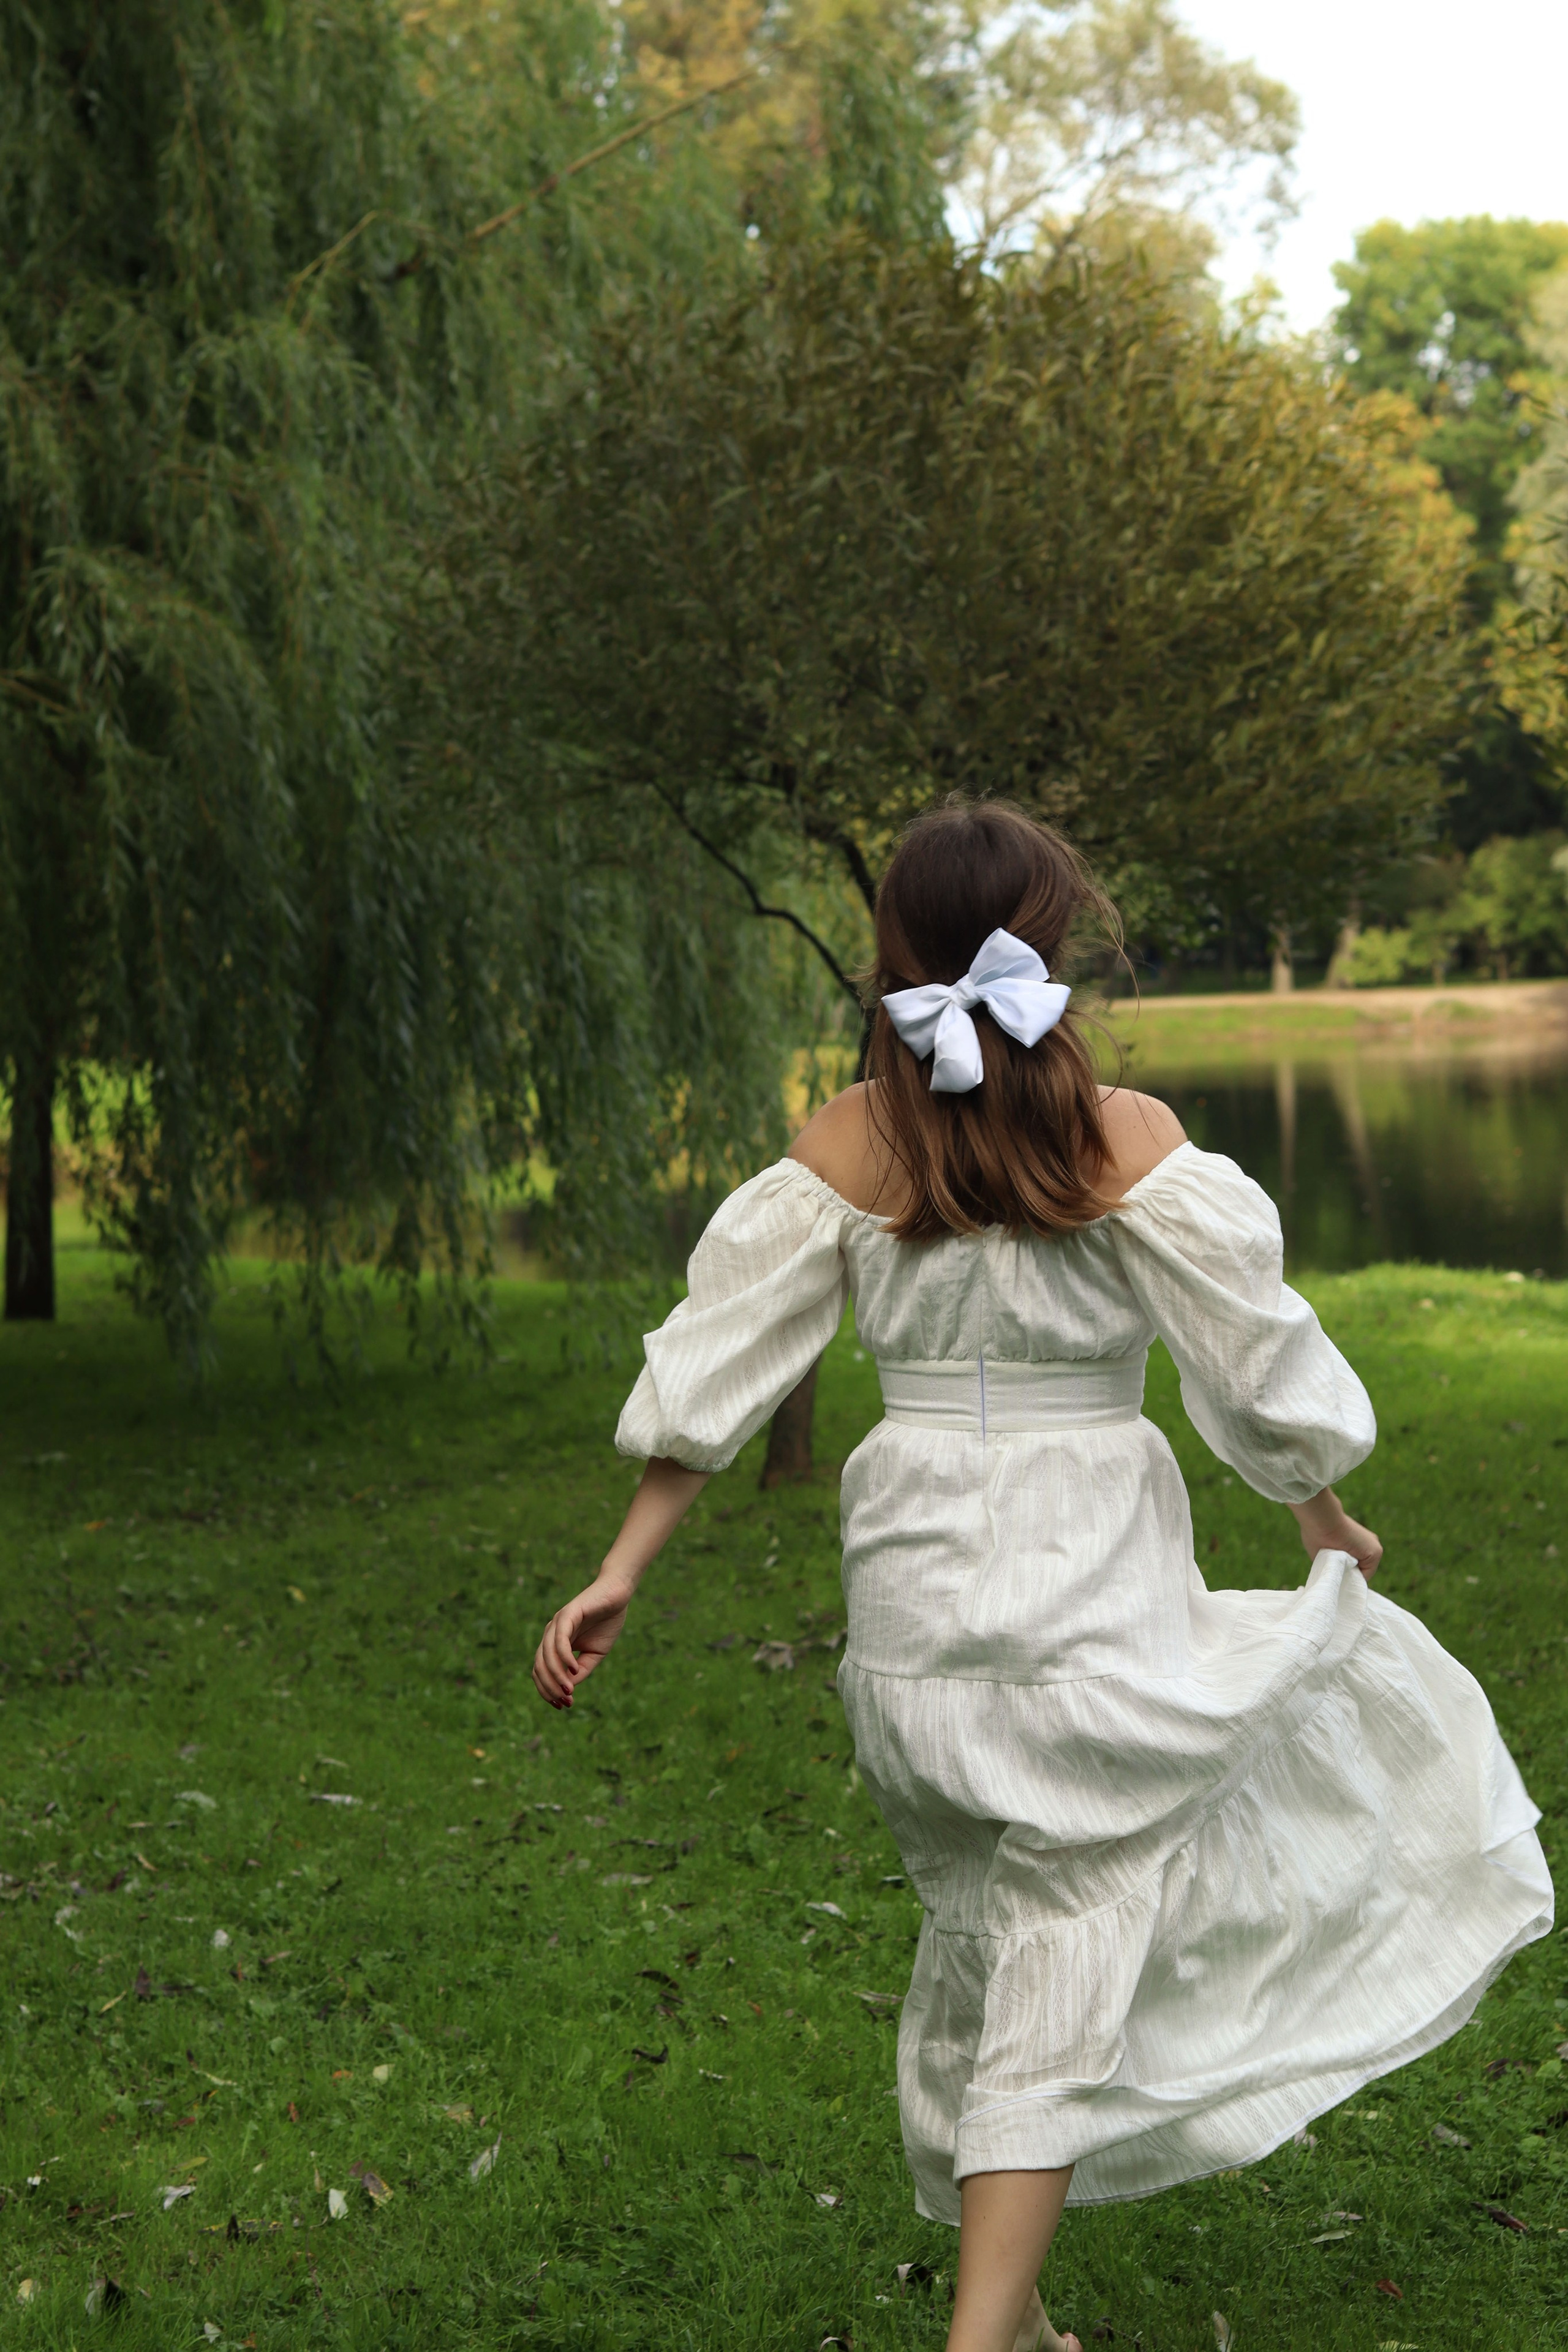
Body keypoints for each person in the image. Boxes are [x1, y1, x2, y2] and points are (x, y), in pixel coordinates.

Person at [532, 802, 1553, 2352]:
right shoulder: (1122, 1138)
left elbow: (718, 1365)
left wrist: (621, 1567)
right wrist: (1320, 1519)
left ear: (891, 955)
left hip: (914, 1612)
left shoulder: (850, 1141)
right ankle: (980, 2342)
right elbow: (1251, 1364)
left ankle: (1011, 2326)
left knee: (995, 1935)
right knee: (1065, 1942)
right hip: (1086, 1592)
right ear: (1050, 940)